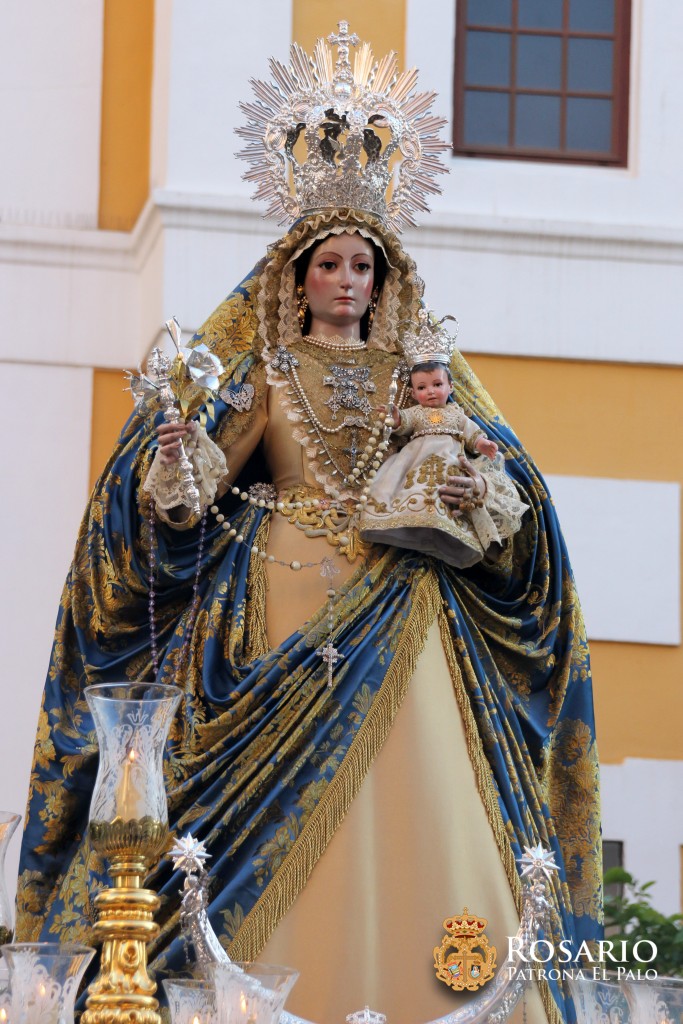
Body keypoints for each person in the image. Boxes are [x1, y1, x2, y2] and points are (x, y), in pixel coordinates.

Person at [15, 23, 601, 1024]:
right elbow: (196, 484)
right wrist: (171, 461)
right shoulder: (266, 373)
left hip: (404, 604)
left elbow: (486, 467)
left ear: (383, 279)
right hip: (273, 607)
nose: (344, 280)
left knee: (422, 800)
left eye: (361, 266)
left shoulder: (418, 379)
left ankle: (440, 992)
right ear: (297, 274)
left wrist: (468, 490)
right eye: (328, 263)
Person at [359, 311, 529, 568]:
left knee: (445, 493)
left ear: (450, 387)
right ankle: (406, 522)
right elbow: (404, 423)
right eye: (422, 387)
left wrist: (483, 444)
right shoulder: (417, 413)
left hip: (450, 459)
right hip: (417, 458)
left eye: (437, 385)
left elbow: (471, 433)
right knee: (412, 487)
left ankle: (444, 530)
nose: (430, 392)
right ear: (414, 393)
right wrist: (395, 418)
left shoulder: (456, 414)